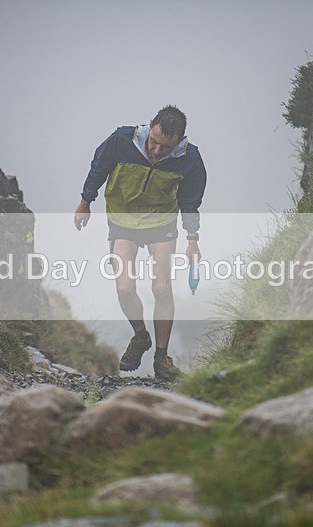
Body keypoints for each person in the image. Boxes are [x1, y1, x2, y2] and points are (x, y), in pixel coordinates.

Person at [74, 105, 206, 380]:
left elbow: (190, 202)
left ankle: (161, 357)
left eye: (166, 148)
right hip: (123, 223)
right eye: (154, 142)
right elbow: (99, 167)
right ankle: (141, 336)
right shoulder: (122, 140)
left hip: (161, 224)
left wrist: (192, 240)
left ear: (180, 140)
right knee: (124, 288)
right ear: (150, 126)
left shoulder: (190, 159)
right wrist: (86, 201)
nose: (157, 151)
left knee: (161, 287)